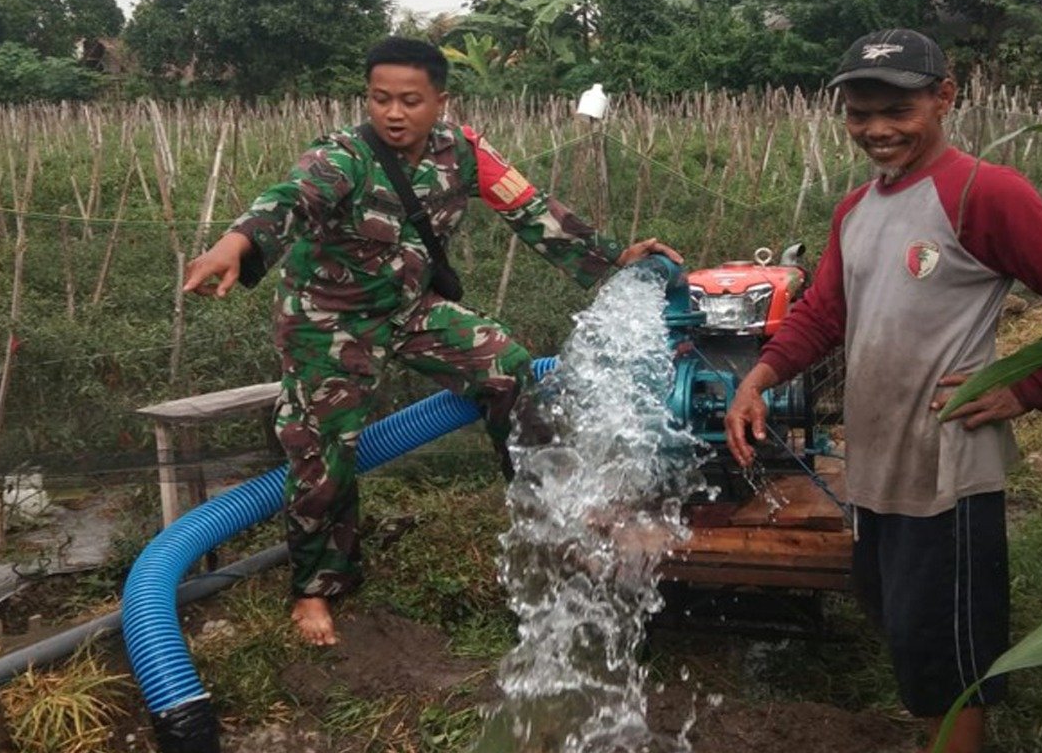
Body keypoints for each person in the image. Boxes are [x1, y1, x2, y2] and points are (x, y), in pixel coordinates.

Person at [183, 36, 680, 647]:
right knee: (323, 448)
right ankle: (316, 588)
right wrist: (233, 245)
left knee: (509, 369)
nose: (394, 113)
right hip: (328, 319)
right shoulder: (343, 156)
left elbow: (531, 210)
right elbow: (288, 199)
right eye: (380, 99)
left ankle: (545, 516)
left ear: (440, 101)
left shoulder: (465, 153)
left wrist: (612, 258)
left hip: (411, 307)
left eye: (410, 100)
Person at [723, 29, 1042, 753]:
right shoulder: (856, 209)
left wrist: (1027, 384)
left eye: (897, 109)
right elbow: (824, 312)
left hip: (946, 471)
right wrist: (758, 378)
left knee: (948, 657)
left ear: (944, 98)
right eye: (858, 113)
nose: (876, 129)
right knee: (905, 630)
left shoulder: (981, 192)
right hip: (878, 465)